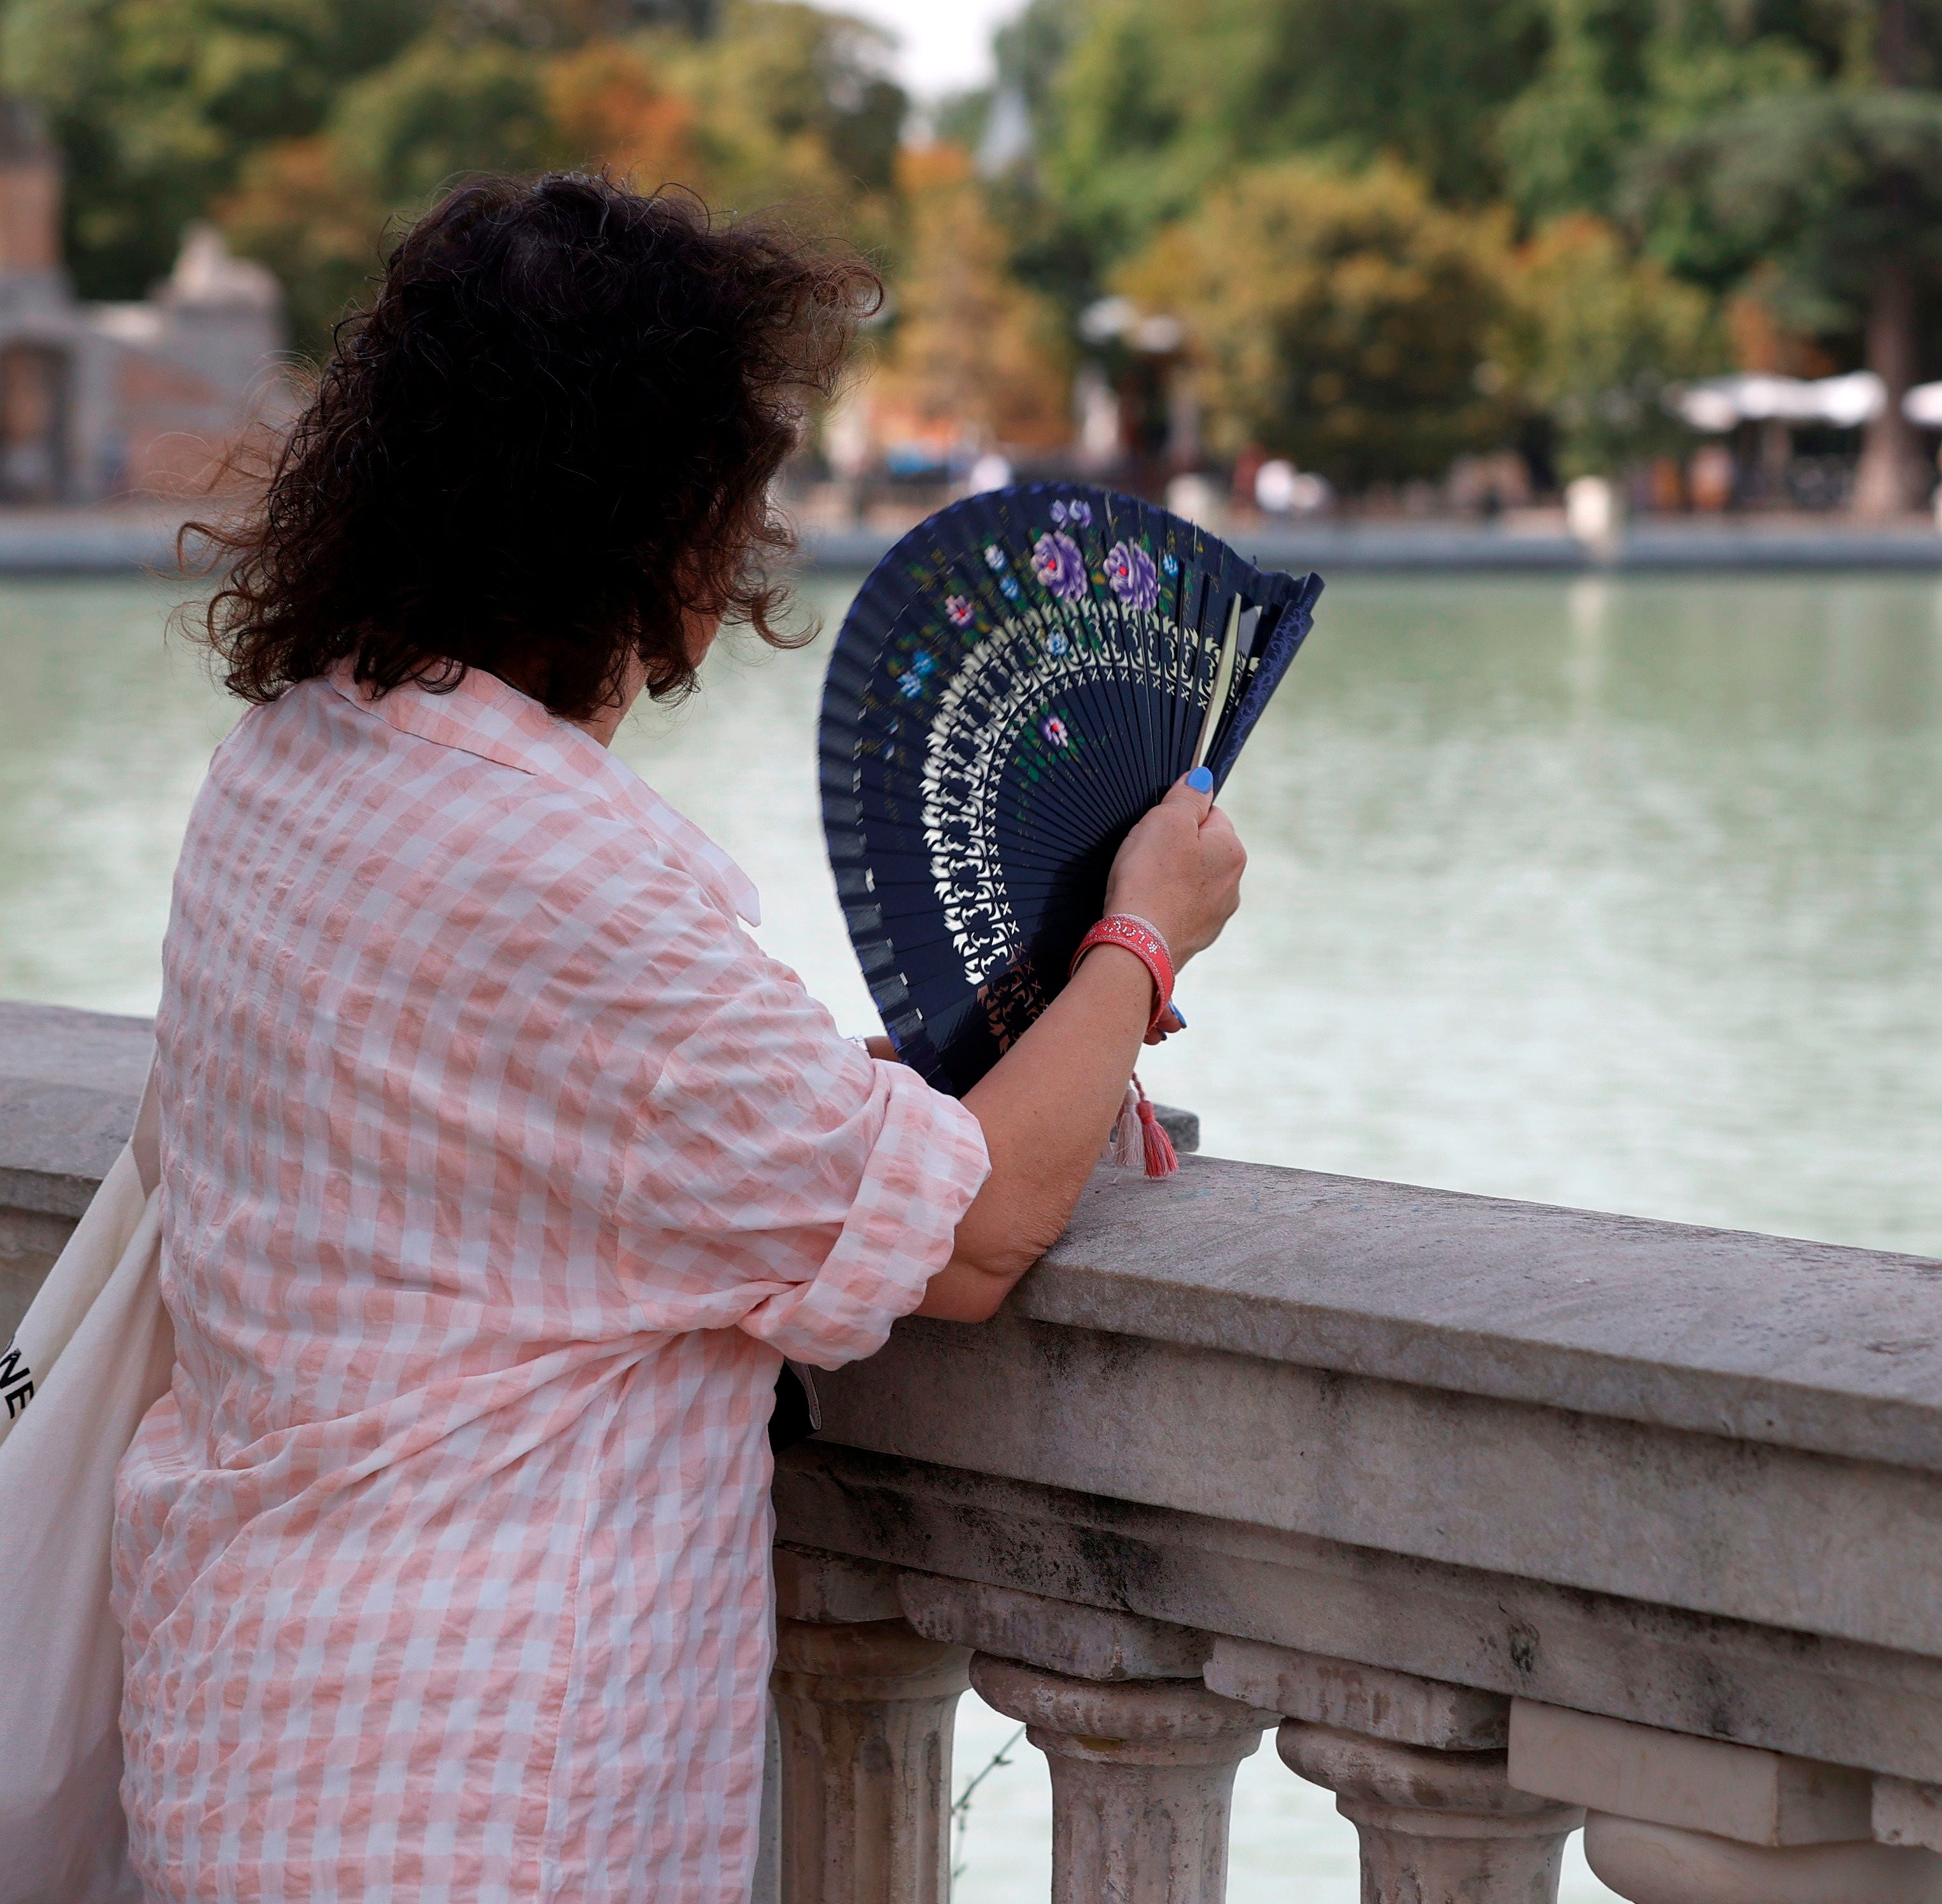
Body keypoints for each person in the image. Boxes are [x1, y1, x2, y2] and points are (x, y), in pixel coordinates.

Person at [114, 173, 1244, 1900]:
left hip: (253, 1725)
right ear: (648, 513)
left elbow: (529, 1132)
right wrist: (1140, 939)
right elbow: (975, 1231)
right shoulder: (552, 863)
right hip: (480, 1793)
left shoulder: (287, 768)